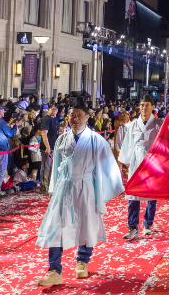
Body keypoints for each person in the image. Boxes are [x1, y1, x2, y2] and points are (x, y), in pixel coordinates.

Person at [35, 92, 124, 287]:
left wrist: (111, 188)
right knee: (55, 227)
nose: (74, 119)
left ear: (86, 117)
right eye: (71, 115)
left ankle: (82, 261)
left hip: (85, 186)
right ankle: (54, 270)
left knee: (87, 224)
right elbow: (57, 166)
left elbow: (107, 165)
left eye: (78, 115)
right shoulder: (61, 139)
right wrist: (54, 191)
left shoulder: (95, 140)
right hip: (64, 187)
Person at [118, 95, 163, 239]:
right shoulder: (133, 125)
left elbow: (164, 142)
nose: (144, 108)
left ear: (153, 106)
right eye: (142, 105)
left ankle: (148, 224)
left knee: (152, 195)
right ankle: (132, 227)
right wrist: (125, 162)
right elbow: (128, 143)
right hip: (136, 161)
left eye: (147, 105)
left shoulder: (158, 123)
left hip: (152, 162)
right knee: (133, 195)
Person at [39, 104, 57, 193]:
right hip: (47, 146)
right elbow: (44, 134)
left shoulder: (54, 119)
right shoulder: (46, 119)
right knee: (46, 167)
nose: (54, 111)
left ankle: (49, 185)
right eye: (53, 109)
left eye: (56, 109)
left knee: (50, 167)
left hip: (53, 146)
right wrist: (47, 147)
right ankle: (44, 186)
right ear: (48, 109)